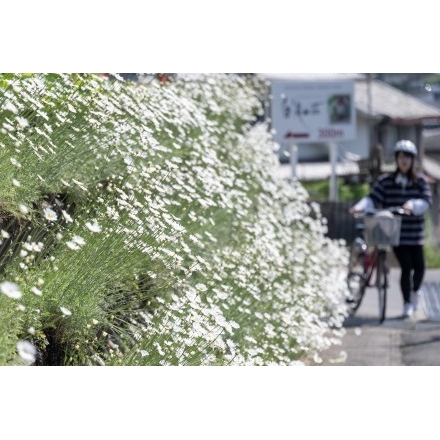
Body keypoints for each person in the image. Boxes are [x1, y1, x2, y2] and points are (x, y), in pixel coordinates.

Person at [349, 140, 432, 318]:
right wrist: (359, 207)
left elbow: (426, 201)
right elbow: (372, 198)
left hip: (415, 233)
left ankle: (414, 293)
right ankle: (407, 303)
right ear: (396, 159)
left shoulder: (420, 181)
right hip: (395, 233)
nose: (404, 160)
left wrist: (412, 205)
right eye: (401, 156)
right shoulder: (386, 181)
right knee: (406, 267)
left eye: (408, 157)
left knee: (420, 267)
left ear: (412, 160)